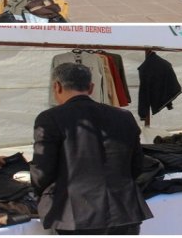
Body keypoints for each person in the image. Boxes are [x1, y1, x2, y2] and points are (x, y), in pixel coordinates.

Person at [31, 63, 153, 235]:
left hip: (76, 214)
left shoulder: (50, 118)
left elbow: (42, 171)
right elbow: (137, 164)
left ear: (57, 86)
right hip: (124, 210)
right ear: (91, 87)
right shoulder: (124, 116)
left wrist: (40, 194)